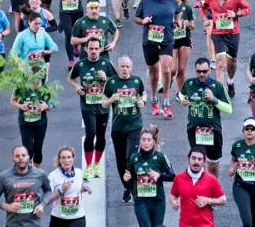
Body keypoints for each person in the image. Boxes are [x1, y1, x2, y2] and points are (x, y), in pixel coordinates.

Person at [68, 38, 117, 181]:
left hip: (102, 105)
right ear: (86, 49)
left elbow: (116, 82)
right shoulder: (81, 64)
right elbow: (71, 78)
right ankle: (88, 166)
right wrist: (77, 86)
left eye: (96, 49)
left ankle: (96, 164)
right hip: (87, 104)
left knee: (101, 135)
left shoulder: (106, 64)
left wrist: (105, 78)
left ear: (100, 49)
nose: (94, 51)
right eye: (91, 49)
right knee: (91, 133)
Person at [135, 0, 182, 117]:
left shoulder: (171, 1)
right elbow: (136, 18)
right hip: (150, 42)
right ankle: (154, 99)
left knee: (167, 70)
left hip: (167, 40)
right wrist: (143, 21)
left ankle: (167, 102)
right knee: (154, 73)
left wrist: (177, 20)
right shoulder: (146, 1)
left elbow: (178, 12)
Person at [102, 55, 147, 203]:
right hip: (117, 128)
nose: (125, 69)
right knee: (120, 161)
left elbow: (143, 94)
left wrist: (143, 101)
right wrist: (110, 100)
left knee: (131, 157)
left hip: (134, 125)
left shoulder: (136, 81)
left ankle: (134, 187)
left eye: (128, 66)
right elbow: (103, 103)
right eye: (122, 66)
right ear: (118, 66)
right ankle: (127, 187)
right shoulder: (111, 82)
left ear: (131, 68)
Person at [179, 58, 232, 179]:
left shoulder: (217, 86)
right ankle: (199, 190)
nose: (202, 74)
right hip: (194, 130)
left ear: (209, 70)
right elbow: (181, 93)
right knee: (197, 162)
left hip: (213, 131)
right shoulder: (189, 83)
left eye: (204, 71)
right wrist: (183, 99)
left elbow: (229, 109)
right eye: (199, 71)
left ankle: (213, 191)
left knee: (213, 165)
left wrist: (214, 99)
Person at [199, 0, 251, 98]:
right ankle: (219, 92)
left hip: (233, 33)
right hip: (218, 33)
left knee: (231, 62)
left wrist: (236, 14)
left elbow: (247, 9)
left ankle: (231, 81)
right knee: (220, 63)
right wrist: (205, 19)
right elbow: (201, 6)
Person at [123, 125, 175, 226]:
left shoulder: (161, 157)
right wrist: (127, 179)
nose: (146, 142)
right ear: (140, 141)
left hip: (157, 200)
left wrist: (159, 175)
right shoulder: (134, 158)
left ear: (154, 142)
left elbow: (173, 177)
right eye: (143, 140)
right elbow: (131, 178)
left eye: (148, 140)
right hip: (141, 200)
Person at [0, 145, 52, 227]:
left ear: (28, 157)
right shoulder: (4, 176)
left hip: (34, 224)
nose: (21, 158)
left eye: (23, 155)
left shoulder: (40, 174)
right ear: (13, 159)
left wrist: (42, 205)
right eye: (17, 156)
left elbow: (48, 191)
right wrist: (7, 206)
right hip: (13, 224)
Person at [10, 66, 55, 168]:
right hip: (25, 123)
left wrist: (46, 106)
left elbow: (52, 104)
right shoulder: (21, 87)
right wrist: (21, 106)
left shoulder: (45, 89)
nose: (34, 81)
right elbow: (12, 100)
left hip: (40, 123)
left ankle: (36, 171)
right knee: (28, 148)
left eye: (37, 78)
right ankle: (28, 170)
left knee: (38, 149)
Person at [170, 147, 226, 227]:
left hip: (206, 224)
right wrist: (173, 202)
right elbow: (173, 195)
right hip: (185, 224)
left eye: (200, 159)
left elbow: (223, 200)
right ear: (188, 159)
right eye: (194, 158)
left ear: (204, 162)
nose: (196, 162)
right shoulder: (179, 178)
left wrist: (208, 200)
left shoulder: (211, 179)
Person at [50, 0, 91, 70]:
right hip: (64, 12)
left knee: (79, 34)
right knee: (68, 35)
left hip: (77, 11)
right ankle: (71, 61)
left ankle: (76, 45)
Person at [47, 146, 92, 227]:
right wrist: (61, 190)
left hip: (77, 216)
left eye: (69, 157)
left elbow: (75, 189)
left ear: (73, 159)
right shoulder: (53, 176)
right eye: (63, 158)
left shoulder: (78, 172)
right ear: (59, 160)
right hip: (58, 217)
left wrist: (84, 188)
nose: (66, 160)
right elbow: (47, 200)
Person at [19, 0, 58, 81]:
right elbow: (20, 29)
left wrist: (45, 29)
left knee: (43, 73)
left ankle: (45, 78)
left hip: (42, 42)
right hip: (28, 43)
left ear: (40, 1)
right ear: (28, 1)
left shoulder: (45, 13)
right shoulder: (24, 13)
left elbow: (55, 27)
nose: (34, 1)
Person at [11, 12, 59, 83]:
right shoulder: (21, 35)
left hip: (40, 68)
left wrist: (47, 52)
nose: (38, 26)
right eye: (35, 23)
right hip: (26, 70)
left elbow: (55, 47)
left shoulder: (43, 34)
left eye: (40, 23)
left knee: (40, 92)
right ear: (29, 22)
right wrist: (20, 63)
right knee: (26, 92)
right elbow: (14, 52)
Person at [169, 0, 195, 101]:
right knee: (172, 69)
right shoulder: (167, 7)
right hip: (171, 40)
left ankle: (180, 92)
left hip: (184, 40)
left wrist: (186, 23)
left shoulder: (187, 8)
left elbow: (193, 25)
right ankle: (167, 80)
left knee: (181, 69)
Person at [194, 0, 216, 68]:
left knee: (219, 32)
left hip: (219, 7)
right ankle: (213, 59)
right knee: (209, 33)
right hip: (206, 7)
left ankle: (220, 53)